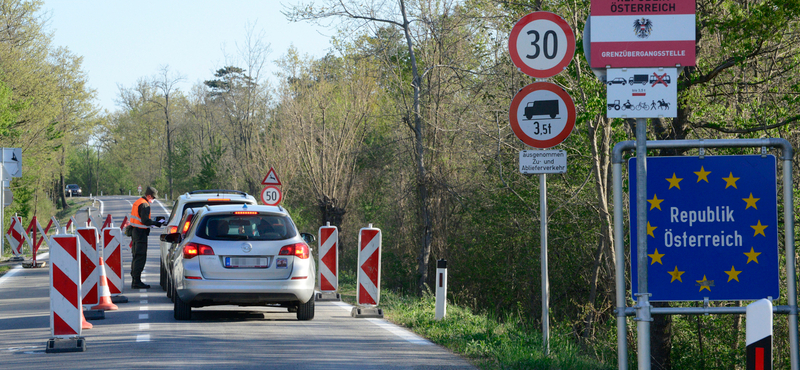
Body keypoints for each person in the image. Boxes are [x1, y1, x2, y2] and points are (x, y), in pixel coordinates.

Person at [129, 186, 164, 289]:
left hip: (135, 231)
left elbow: (140, 219)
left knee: (136, 256)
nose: (153, 199)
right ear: (148, 196)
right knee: (140, 257)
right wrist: (157, 223)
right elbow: (145, 221)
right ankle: (137, 281)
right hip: (140, 234)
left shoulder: (138, 202)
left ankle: (135, 279)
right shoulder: (145, 205)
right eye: (153, 197)